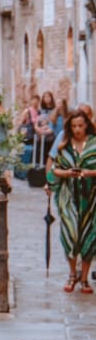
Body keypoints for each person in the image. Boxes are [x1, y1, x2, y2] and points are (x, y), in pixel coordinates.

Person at [47, 110, 96, 294]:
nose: (77, 129)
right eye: (74, 126)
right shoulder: (64, 145)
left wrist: (89, 173)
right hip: (69, 198)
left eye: (80, 126)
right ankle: (71, 274)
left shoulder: (94, 144)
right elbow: (55, 169)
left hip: (90, 198)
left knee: (88, 238)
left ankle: (83, 279)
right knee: (70, 233)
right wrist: (68, 173)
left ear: (87, 125)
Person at [35, 90, 59, 163]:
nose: (46, 98)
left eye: (48, 96)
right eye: (44, 97)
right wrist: (38, 129)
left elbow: (54, 122)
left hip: (51, 137)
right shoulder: (40, 111)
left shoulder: (55, 110)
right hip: (41, 137)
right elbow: (36, 122)